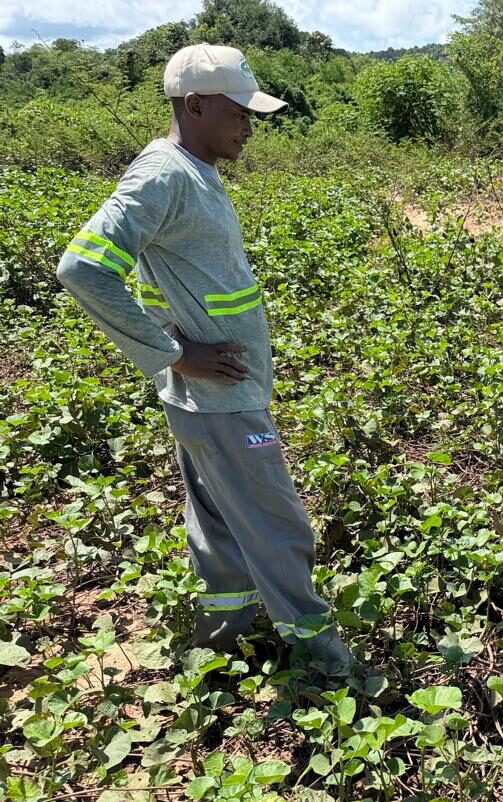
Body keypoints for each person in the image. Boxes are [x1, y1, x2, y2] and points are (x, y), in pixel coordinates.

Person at [56, 43, 353, 678]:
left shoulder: (193, 170)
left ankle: (226, 639)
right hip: (219, 401)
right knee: (277, 525)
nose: (249, 125)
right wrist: (174, 353)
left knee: (218, 524)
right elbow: (81, 268)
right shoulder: (163, 173)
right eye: (239, 111)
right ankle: (326, 664)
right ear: (193, 105)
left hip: (212, 400)